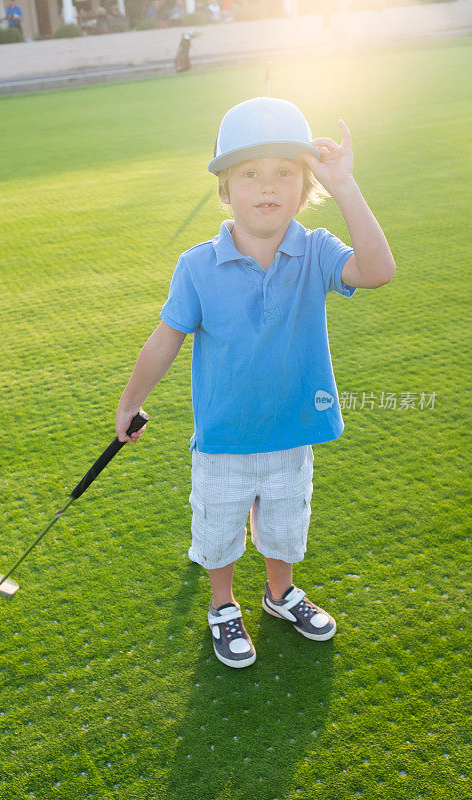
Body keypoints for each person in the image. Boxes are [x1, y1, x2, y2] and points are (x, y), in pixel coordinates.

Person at [115, 97, 395, 669]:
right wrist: (129, 403)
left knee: (285, 523)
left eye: (284, 173)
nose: (267, 187)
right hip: (225, 436)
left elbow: (377, 271)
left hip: (292, 430)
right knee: (218, 527)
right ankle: (223, 604)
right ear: (225, 188)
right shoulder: (197, 265)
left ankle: (278, 593)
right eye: (249, 174)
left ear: (304, 185)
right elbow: (164, 340)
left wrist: (345, 186)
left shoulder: (315, 251)